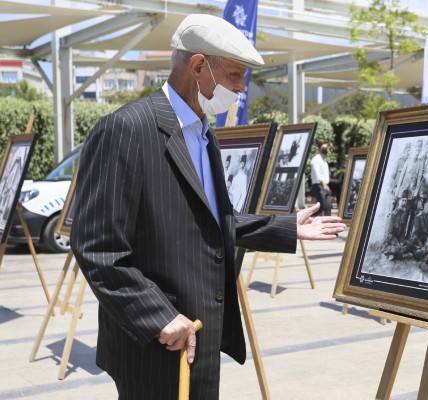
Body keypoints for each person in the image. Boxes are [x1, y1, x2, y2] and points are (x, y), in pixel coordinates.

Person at [69, 14, 345, 400]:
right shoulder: (128, 128)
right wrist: (158, 316)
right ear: (198, 67)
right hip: (156, 342)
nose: (240, 87)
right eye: (233, 75)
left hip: (200, 336)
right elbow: (98, 247)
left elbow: (211, 222)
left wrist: (283, 227)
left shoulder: (203, 133)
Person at [310, 141, 332, 216]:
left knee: (328, 206)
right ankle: (310, 218)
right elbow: (317, 174)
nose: (325, 149)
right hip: (319, 185)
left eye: (326, 147)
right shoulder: (316, 159)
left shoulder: (324, 160)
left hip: (325, 185)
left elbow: (325, 175)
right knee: (322, 206)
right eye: (323, 147)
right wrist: (324, 185)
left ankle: (328, 224)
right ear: (319, 149)